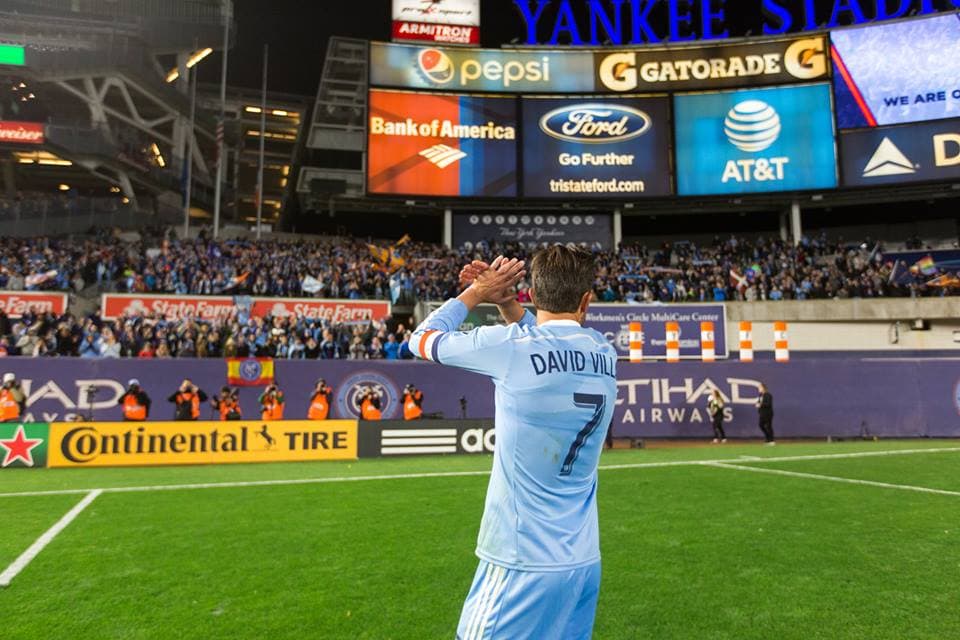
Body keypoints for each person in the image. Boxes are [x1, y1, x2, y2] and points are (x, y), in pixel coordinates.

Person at [412, 248, 617, 639]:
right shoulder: (602, 351)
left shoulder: (510, 348)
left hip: (521, 560)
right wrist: (507, 303)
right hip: (582, 562)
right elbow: (548, 342)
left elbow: (421, 339)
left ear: (535, 295)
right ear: (586, 300)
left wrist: (477, 292)